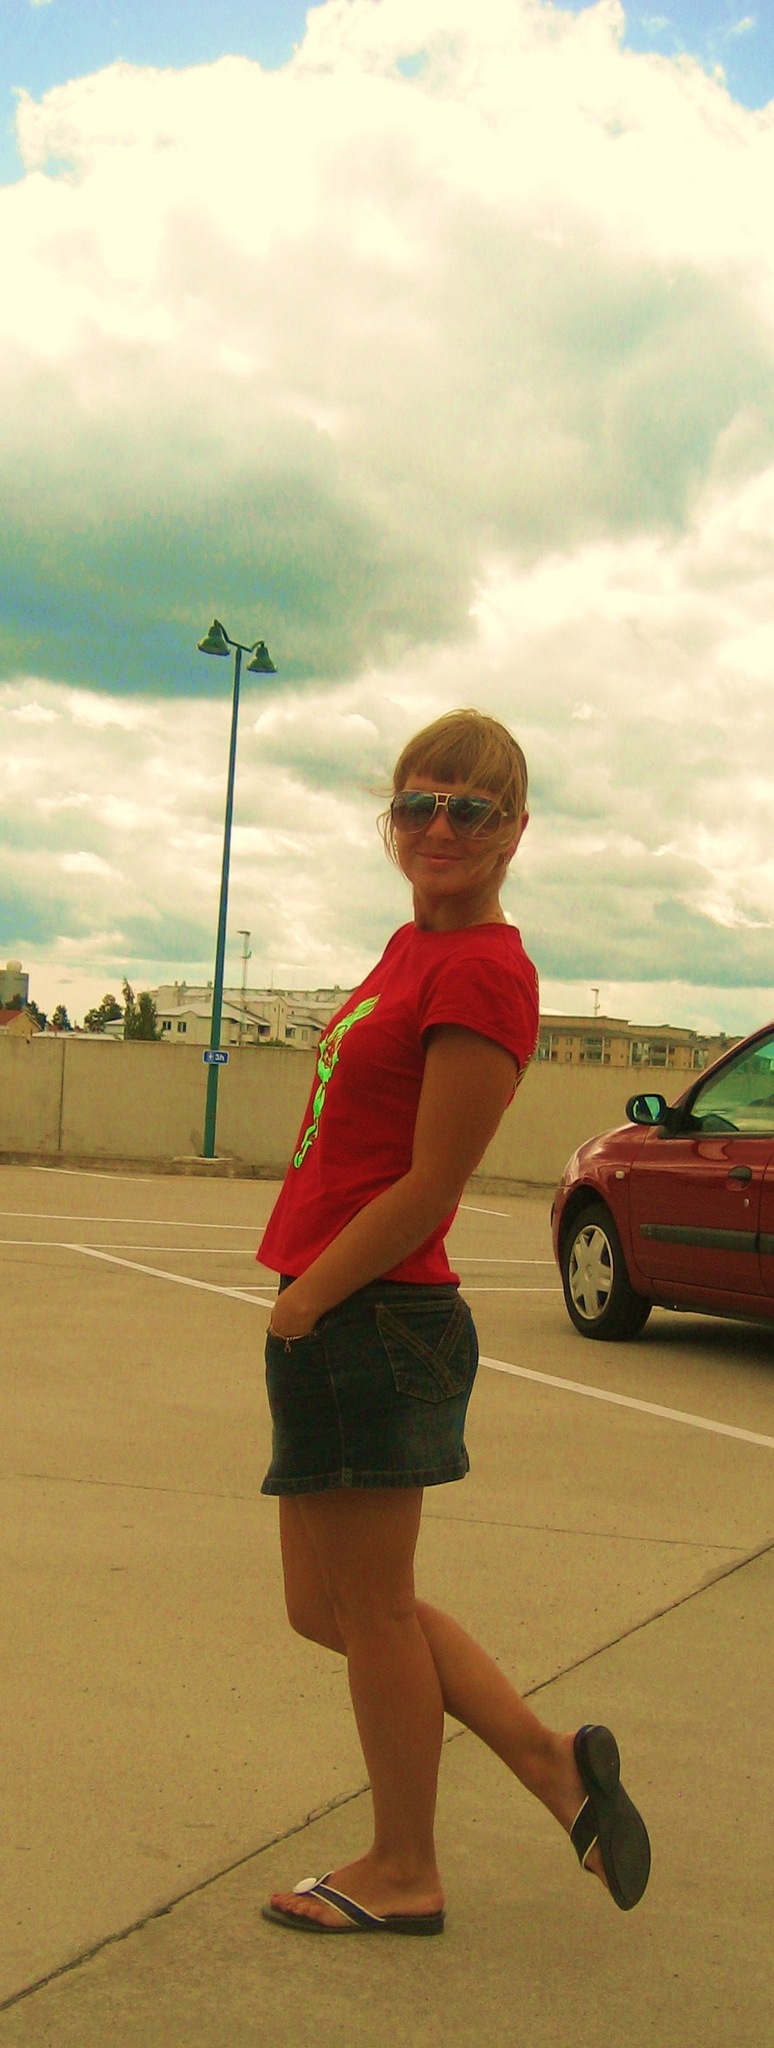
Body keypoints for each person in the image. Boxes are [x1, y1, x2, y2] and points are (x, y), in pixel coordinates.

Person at [258, 708, 650, 1935]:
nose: (441, 825)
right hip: (340, 1306)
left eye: (470, 808)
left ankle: (405, 1866)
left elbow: (433, 1183)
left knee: (373, 1609)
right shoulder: (410, 945)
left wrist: (309, 1297)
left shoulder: (483, 969)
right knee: (324, 1606)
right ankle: (548, 1757)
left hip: (373, 1312)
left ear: (514, 828)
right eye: (419, 802)